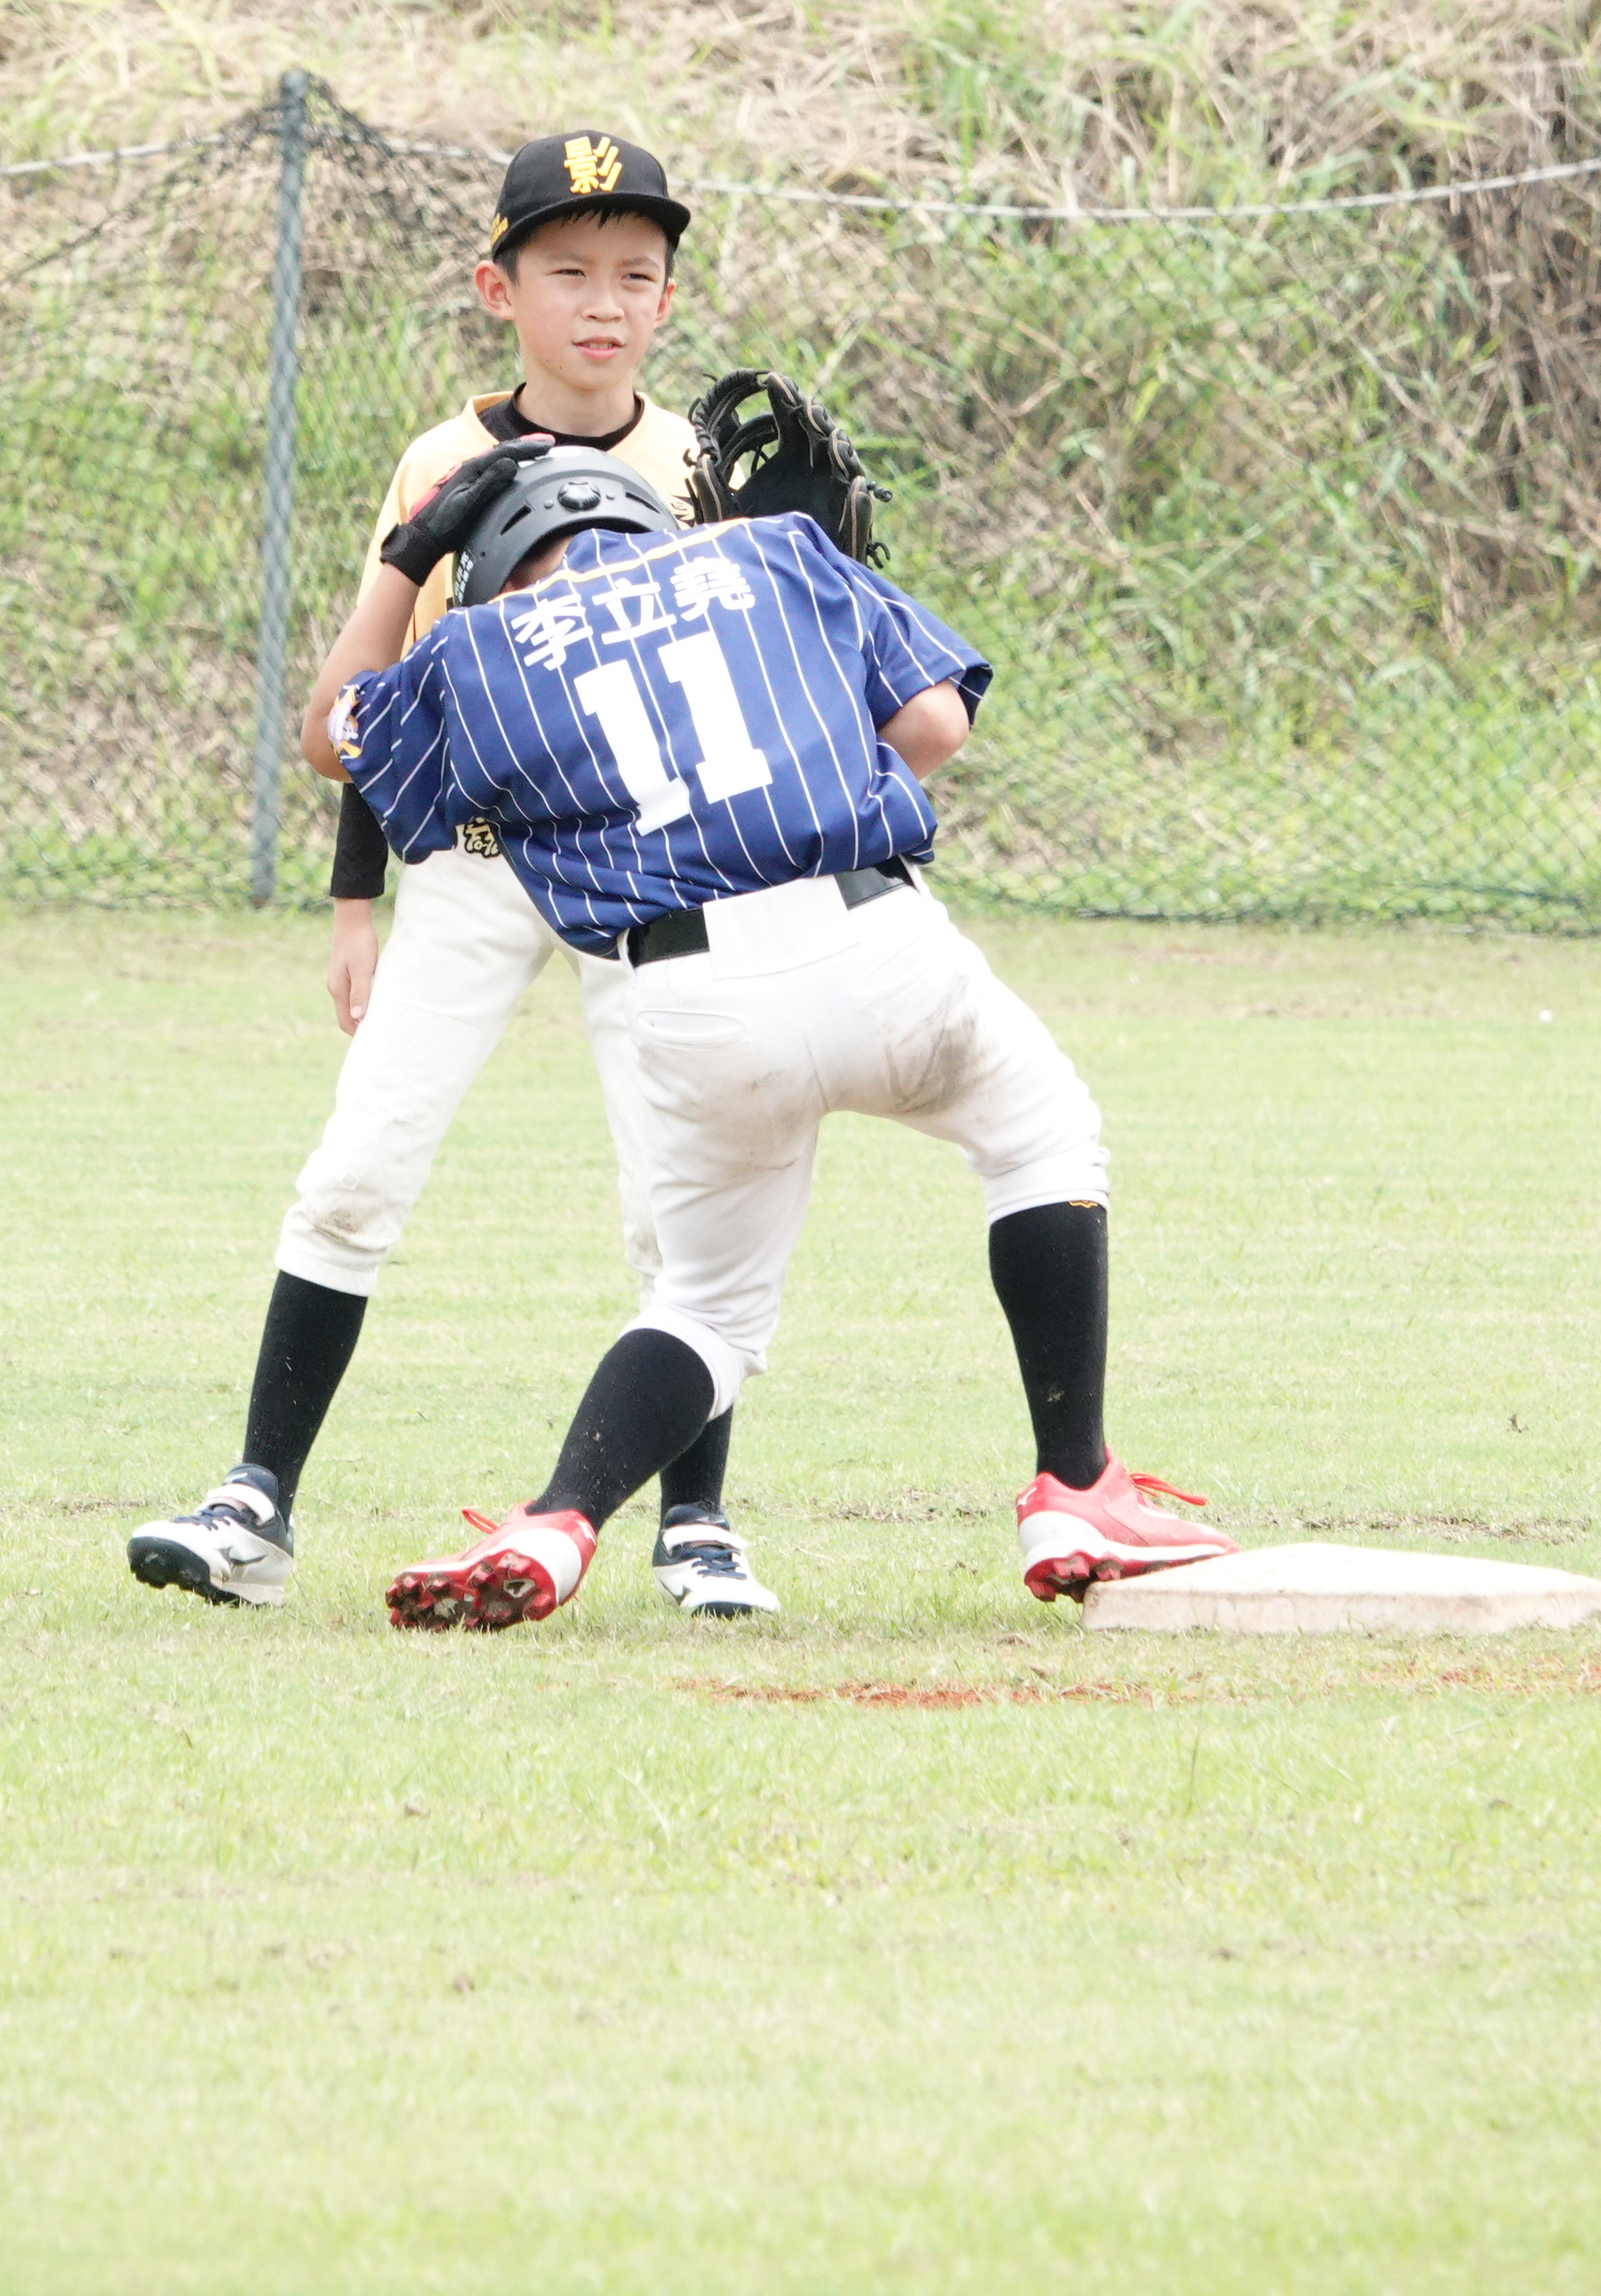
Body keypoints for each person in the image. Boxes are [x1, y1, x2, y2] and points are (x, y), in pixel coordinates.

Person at [311, 444, 1240, 1631]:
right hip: (871, 936)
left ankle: (555, 1521)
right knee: (1043, 1142)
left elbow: (335, 736)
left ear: (489, 566)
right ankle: (1076, 1488)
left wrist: (405, 563)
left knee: (705, 1309)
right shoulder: (774, 552)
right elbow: (936, 724)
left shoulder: (471, 651)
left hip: (687, 996)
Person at [125, 129, 777, 1619]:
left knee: (680, 1199)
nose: (603, 302)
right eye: (568, 271)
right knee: (358, 1166)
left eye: (636, 275)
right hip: (475, 863)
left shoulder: (697, 465)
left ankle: (697, 1524)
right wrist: (354, 900)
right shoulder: (444, 459)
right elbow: (372, 707)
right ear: (499, 288)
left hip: (650, 873)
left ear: (670, 299)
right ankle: (255, 1503)